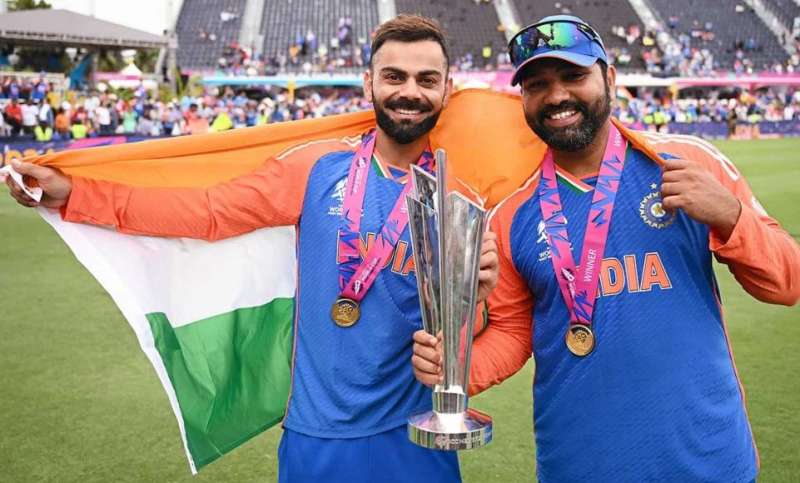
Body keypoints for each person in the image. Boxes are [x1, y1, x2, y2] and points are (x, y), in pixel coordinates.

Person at [5, 14, 498, 483]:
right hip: (317, 434)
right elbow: (208, 212)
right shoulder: (317, 167)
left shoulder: (459, 199)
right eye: (394, 76)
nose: (410, 91)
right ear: (368, 83)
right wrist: (79, 194)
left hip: (419, 433)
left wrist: (472, 304)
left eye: (426, 80)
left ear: (446, 89)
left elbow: (472, 324)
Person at [412, 14, 800, 482]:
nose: (557, 96)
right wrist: (455, 369)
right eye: (537, 85)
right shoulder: (512, 212)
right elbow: (514, 332)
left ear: (610, 78)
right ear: (523, 99)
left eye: (573, 76)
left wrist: (731, 216)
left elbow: (787, 282)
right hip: (579, 465)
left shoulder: (687, 163)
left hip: (708, 460)